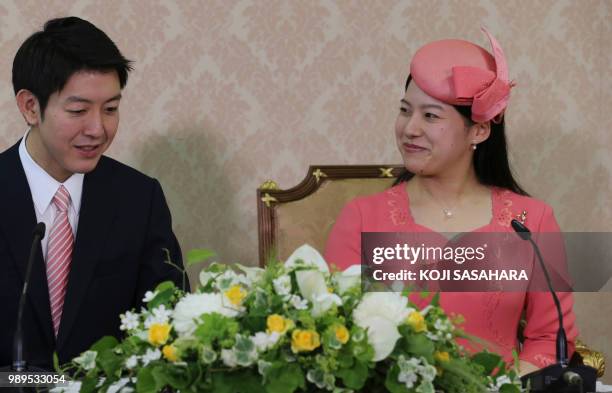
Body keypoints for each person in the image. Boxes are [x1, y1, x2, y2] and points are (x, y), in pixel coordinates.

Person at [324, 28, 577, 375]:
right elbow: (336, 333)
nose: (410, 128)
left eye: (430, 116)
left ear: (479, 130)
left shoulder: (530, 222)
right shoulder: (362, 218)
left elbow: (550, 338)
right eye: (404, 110)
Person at [0, 17, 187, 369]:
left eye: (111, 109)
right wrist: (43, 385)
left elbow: (170, 326)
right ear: (30, 107)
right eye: (78, 110)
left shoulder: (139, 199)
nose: (98, 129)